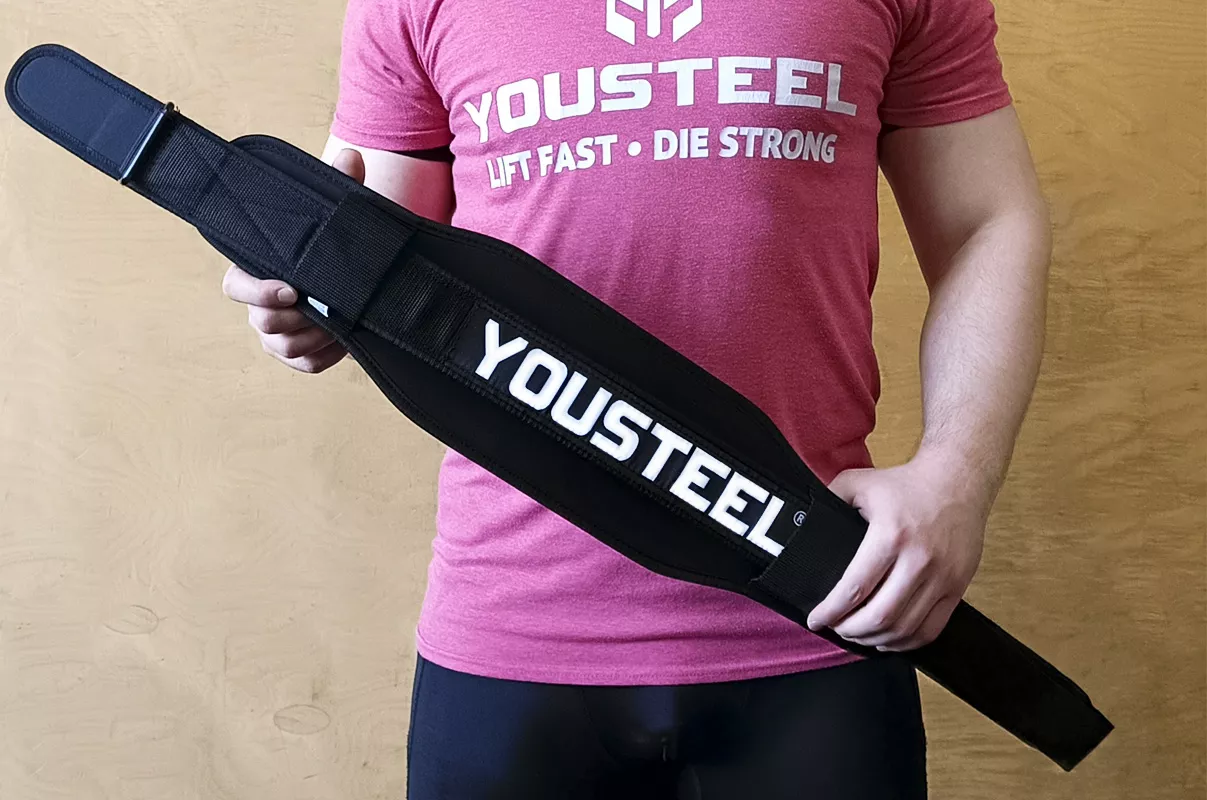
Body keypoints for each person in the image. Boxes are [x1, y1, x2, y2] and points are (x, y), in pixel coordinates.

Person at [221, 0, 1051, 796]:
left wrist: (957, 478)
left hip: (816, 601)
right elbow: (375, 270)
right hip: (512, 632)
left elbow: (986, 221)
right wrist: (307, 300)